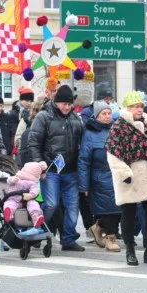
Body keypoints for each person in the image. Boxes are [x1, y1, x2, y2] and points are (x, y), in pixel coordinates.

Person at [106, 91, 147, 265]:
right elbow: (112, 152)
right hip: (131, 174)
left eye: (141, 106)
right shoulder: (119, 127)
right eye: (135, 106)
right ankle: (130, 250)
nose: (139, 109)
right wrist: (124, 173)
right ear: (127, 108)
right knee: (128, 214)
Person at [25, 84, 85, 251]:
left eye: (69, 104)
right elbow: (33, 143)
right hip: (50, 170)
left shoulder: (76, 118)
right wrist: (40, 167)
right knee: (51, 204)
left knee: (73, 206)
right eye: (63, 104)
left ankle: (68, 239)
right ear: (56, 102)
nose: (67, 107)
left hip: (71, 170)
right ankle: (35, 231)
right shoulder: (44, 117)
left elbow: (82, 143)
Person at [78, 100, 120, 252]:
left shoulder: (116, 129)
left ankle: (98, 227)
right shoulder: (89, 133)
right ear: (96, 116)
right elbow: (84, 160)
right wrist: (84, 185)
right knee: (109, 209)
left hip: (117, 175)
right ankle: (111, 239)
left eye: (109, 113)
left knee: (119, 210)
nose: (108, 116)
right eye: (104, 114)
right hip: (99, 178)